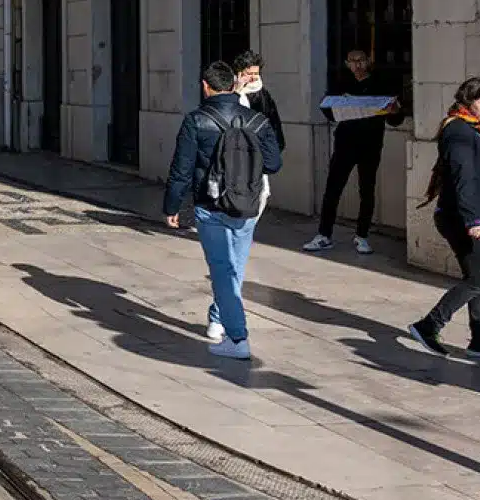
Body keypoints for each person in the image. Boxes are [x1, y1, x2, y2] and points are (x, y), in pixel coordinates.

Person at [162, 61, 282, 360]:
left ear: (206, 86)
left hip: (210, 205)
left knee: (222, 271)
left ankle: (238, 338)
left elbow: (181, 169)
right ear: (232, 85)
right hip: (247, 206)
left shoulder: (196, 120)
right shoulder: (256, 120)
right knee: (234, 269)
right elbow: (274, 163)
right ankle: (218, 319)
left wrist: (172, 206)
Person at [408, 77, 480, 360]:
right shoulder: (457, 130)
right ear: (467, 102)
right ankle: (428, 326)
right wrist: (473, 221)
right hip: (463, 218)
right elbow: (463, 177)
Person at [306, 49, 405, 254]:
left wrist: (394, 111)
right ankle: (324, 234)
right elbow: (328, 111)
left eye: (361, 61)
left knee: (366, 190)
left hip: (371, 143)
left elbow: (395, 119)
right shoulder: (341, 84)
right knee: (333, 188)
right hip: (345, 143)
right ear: (347, 63)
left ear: (368, 61)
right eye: (352, 61)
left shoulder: (380, 84)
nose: (357, 65)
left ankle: (362, 236)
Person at [232, 50, 284, 218]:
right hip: (235, 151)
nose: (253, 78)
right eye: (249, 74)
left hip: (257, 151)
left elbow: (273, 122)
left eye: (256, 73)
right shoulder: (231, 91)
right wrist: (237, 91)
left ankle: (247, 227)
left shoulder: (262, 94)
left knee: (263, 192)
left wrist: (273, 148)